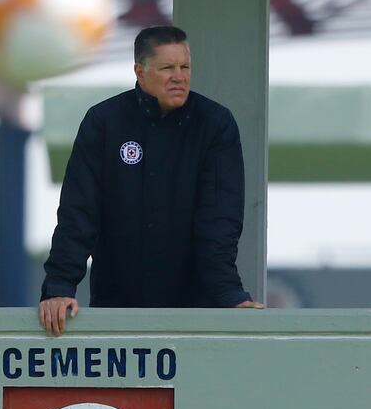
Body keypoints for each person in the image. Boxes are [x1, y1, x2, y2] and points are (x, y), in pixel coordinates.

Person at [39, 25, 263, 336]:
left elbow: (220, 222)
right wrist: (59, 287)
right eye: (167, 68)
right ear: (140, 72)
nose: (179, 77)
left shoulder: (215, 124)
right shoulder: (104, 122)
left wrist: (229, 295)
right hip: (117, 307)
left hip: (195, 309)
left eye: (185, 67)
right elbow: (78, 213)